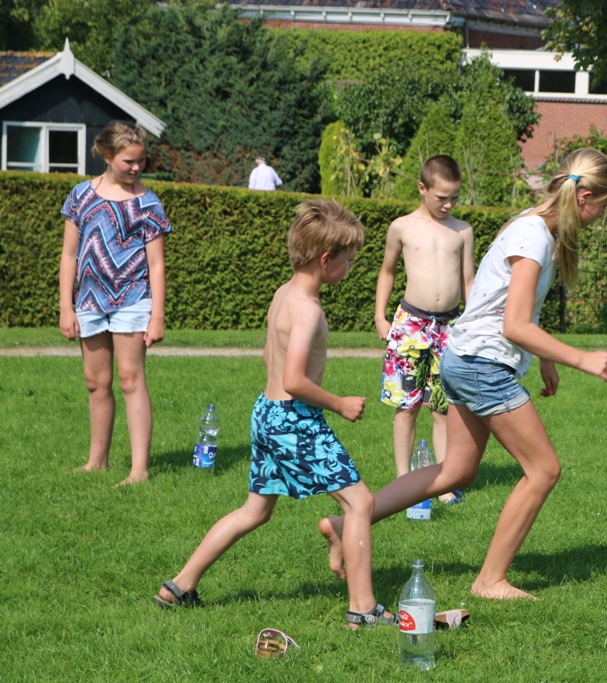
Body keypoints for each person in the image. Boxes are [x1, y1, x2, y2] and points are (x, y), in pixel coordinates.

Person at [320, 148, 607, 600]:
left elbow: (512, 306)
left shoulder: (532, 226)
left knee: (457, 470)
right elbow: (513, 325)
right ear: (586, 198)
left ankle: (348, 523)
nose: (603, 217)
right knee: (543, 470)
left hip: (463, 357)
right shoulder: (535, 237)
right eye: (605, 207)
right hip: (482, 365)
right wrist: (580, 358)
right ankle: (490, 580)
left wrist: (546, 357)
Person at [154, 200, 395, 628]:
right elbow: (294, 379)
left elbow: (269, 356)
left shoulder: (283, 293)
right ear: (326, 259)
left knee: (255, 511)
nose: (351, 268)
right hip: (293, 420)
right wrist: (339, 403)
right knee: (360, 502)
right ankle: (363, 609)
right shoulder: (308, 308)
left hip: (266, 413)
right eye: (349, 260)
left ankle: (178, 586)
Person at [59, 120, 171, 487]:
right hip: (90, 301)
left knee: (130, 379)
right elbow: (69, 255)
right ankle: (97, 463)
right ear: (107, 156)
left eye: (141, 160)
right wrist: (66, 307)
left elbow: (157, 264)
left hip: (133, 300)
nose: (137, 167)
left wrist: (157, 315)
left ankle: (139, 471)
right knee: (96, 381)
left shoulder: (148, 203)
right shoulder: (80, 196)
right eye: (129, 161)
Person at [375, 155, 475, 505]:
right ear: (422, 188)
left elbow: (468, 279)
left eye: (454, 198)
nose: (448, 205)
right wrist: (380, 316)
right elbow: (387, 271)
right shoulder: (401, 227)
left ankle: (443, 482)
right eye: (441, 197)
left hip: (449, 327)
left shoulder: (462, 231)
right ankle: (404, 480)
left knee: (442, 406)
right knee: (407, 405)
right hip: (410, 325)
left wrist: (474, 321)